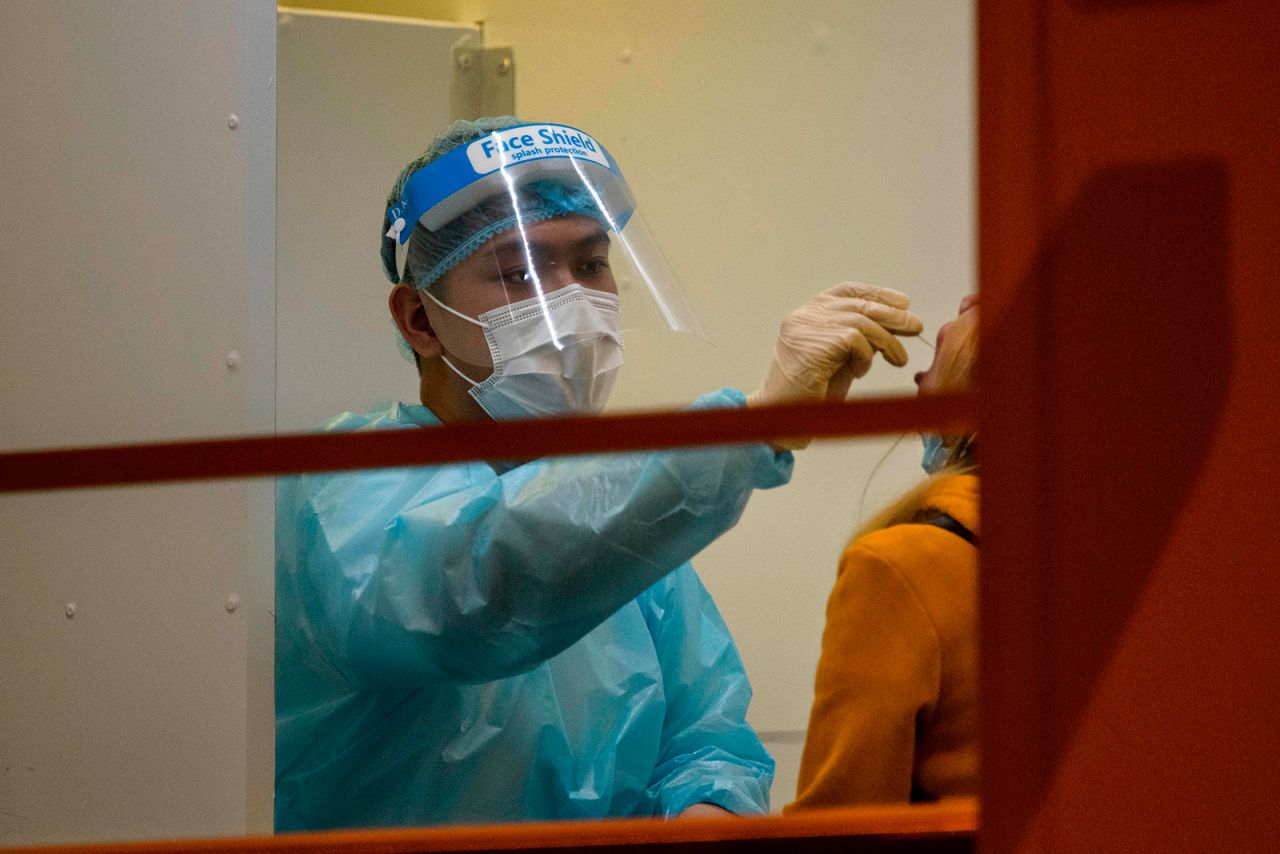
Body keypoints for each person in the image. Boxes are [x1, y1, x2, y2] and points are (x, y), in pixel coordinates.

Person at [274, 116, 924, 830]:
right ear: (420, 320)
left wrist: (704, 814)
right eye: (518, 271)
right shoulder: (346, 490)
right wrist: (755, 425)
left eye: (589, 265)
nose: (571, 303)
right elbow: (482, 583)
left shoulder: (617, 518)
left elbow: (708, 740)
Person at [787, 294, 979, 811]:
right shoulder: (1116, 560)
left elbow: (842, 826)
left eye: (936, 359)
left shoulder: (900, 566)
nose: (916, 381)